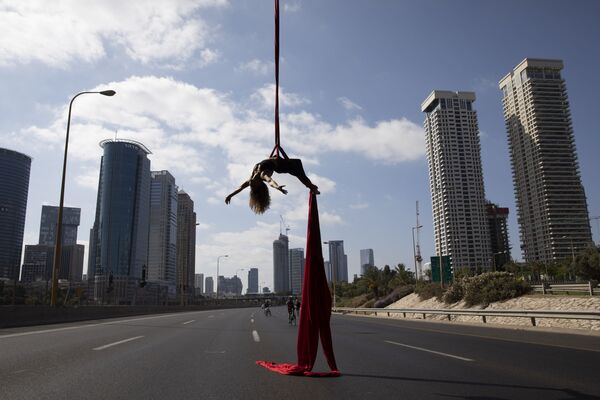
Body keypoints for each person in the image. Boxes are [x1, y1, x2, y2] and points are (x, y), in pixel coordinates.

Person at [225, 156, 320, 214]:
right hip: (282, 166)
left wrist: (230, 195)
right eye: (253, 185)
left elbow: (240, 188)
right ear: (260, 184)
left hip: (277, 161)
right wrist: (277, 187)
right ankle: (312, 188)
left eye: (251, 185)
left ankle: (312, 187)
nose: (251, 183)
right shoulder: (263, 175)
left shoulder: (251, 179)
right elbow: (270, 181)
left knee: (300, 173)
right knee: (300, 174)